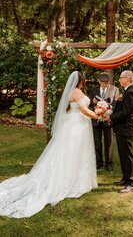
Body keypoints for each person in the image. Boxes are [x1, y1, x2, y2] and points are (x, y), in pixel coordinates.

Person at [0, 71, 99, 218]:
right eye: (84, 80)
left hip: (75, 124)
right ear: (81, 80)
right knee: (75, 152)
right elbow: (84, 110)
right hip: (77, 126)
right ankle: (72, 180)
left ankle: (76, 177)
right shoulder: (77, 92)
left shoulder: (74, 92)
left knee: (74, 152)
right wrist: (100, 115)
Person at [105, 70, 133, 193]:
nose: (119, 80)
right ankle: (125, 178)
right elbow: (121, 109)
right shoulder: (126, 92)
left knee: (127, 156)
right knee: (123, 155)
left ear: (128, 78)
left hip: (126, 129)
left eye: (121, 77)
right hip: (120, 128)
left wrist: (111, 117)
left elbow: (126, 113)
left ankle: (131, 182)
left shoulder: (131, 93)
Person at [89, 72, 119, 171]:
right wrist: (92, 103)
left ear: (109, 81)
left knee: (109, 142)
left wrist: (109, 112)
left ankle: (109, 163)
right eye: (102, 82)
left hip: (108, 119)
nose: (104, 84)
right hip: (96, 119)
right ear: (98, 81)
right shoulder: (93, 90)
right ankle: (98, 162)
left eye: (106, 82)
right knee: (97, 142)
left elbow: (116, 104)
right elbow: (88, 105)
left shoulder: (115, 89)